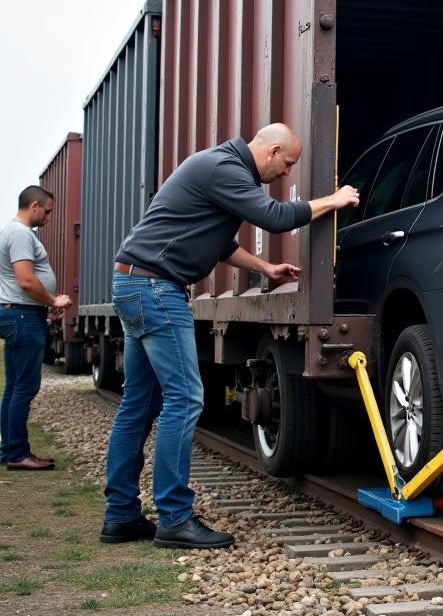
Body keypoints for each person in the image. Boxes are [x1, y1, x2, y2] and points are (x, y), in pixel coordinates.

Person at [101, 124, 359, 550]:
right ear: (273, 150)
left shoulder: (218, 166)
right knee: (184, 399)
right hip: (155, 289)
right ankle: (174, 518)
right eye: (287, 164)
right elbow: (275, 218)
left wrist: (264, 268)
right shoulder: (224, 168)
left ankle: (121, 515)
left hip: (135, 283)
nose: (286, 174)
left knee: (140, 403)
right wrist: (332, 200)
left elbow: (219, 242)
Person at [0, 186, 73, 471]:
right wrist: (54, 299)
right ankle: (18, 454)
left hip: (18, 313)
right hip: (22, 316)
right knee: (25, 387)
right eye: (48, 211)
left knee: (14, 388)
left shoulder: (10, 231)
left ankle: (10, 449)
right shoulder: (20, 234)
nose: (48, 217)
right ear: (34, 206)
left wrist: (46, 304)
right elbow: (26, 281)